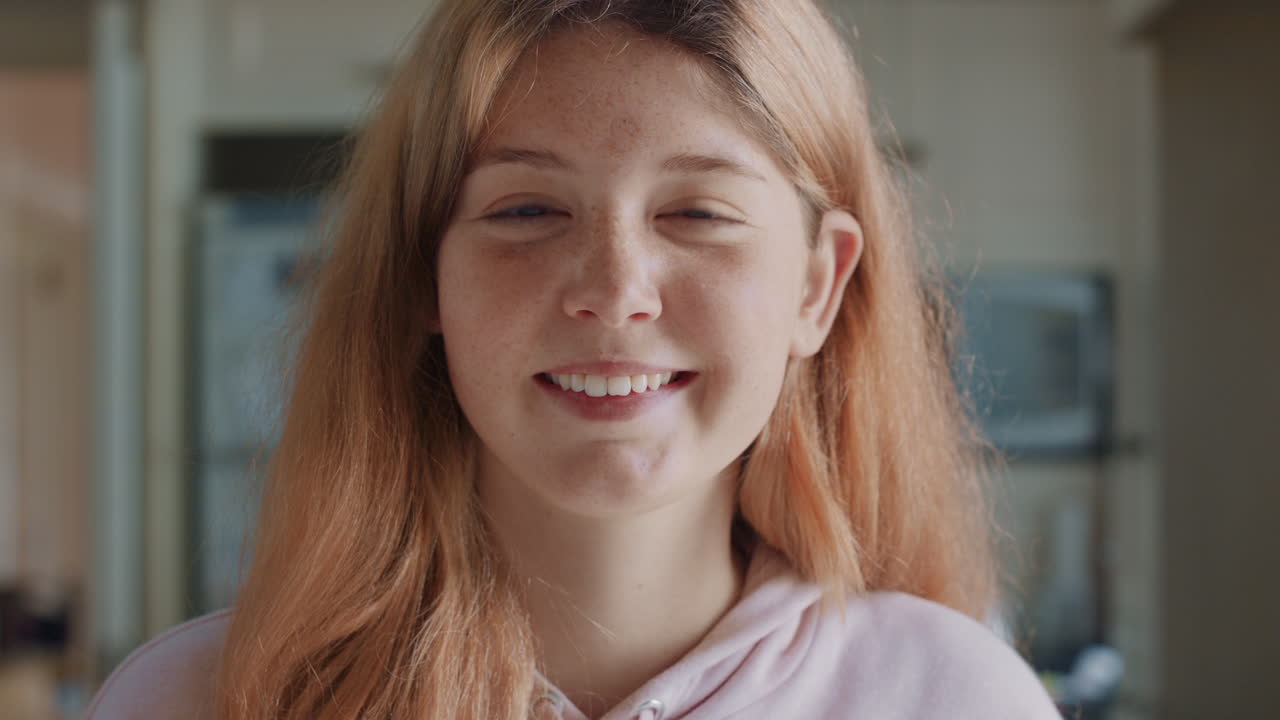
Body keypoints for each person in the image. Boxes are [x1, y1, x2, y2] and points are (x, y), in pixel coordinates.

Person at [88, 1, 1061, 718]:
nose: (613, 288)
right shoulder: (187, 701)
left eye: (695, 213)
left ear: (816, 285)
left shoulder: (956, 699)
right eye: (526, 211)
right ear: (423, 273)